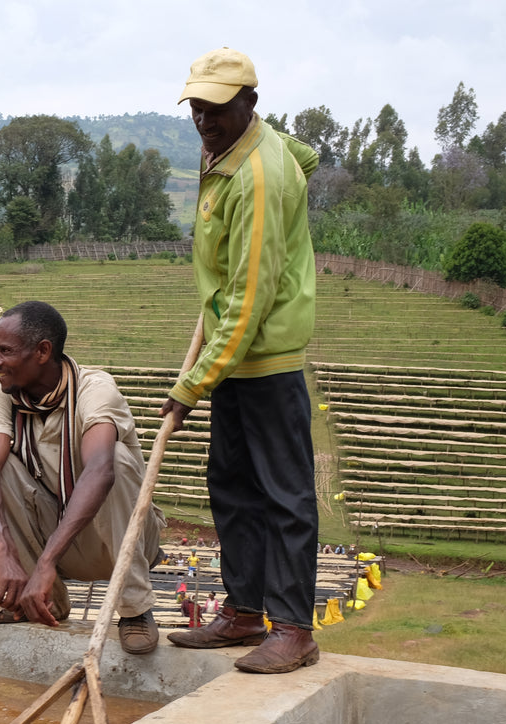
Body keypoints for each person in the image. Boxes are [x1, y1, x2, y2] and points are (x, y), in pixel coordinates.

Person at [162, 48, 321, 674]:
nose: (205, 121)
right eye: (197, 109)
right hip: (232, 354)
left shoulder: (256, 177)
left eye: (218, 110)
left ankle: (293, 629)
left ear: (249, 103)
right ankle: (245, 611)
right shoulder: (236, 147)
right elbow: (306, 155)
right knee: (231, 487)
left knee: (284, 497)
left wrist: (190, 386)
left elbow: (250, 299)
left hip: (265, 359)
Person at [0, 301, 163, 654]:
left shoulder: (95, 389)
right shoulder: (5, 393)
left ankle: (135, 608)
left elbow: (100, 470)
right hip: (61, 537)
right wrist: (3, 551)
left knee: (114, 459)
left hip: (122, 540)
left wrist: (46, 563)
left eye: (5, 351)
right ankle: (41, 601)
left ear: (43, 351)